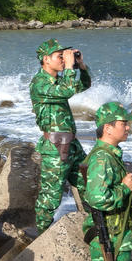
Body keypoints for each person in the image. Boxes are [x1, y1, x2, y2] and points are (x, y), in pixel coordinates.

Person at [80, 101, 132, 261]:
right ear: (108, 128)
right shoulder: (102, 159)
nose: (128, 127)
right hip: (111, 237)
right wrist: (124, 189)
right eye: (123, 123)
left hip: (116, 233)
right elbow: (97, 198)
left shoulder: (109, 155)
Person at [29, 38, 91, 231]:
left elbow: (84, 85)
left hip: (72, 146)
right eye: (60, 56)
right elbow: (67, 91)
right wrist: (70, 67)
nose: (64, 60)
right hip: (55, 148)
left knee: (89, 185)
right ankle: (41, 237)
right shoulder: (39, 83)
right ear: (46, 59)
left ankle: (92, 227)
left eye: (65, 56)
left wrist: (81, 66)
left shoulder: (58, 81)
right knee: (50, 198)